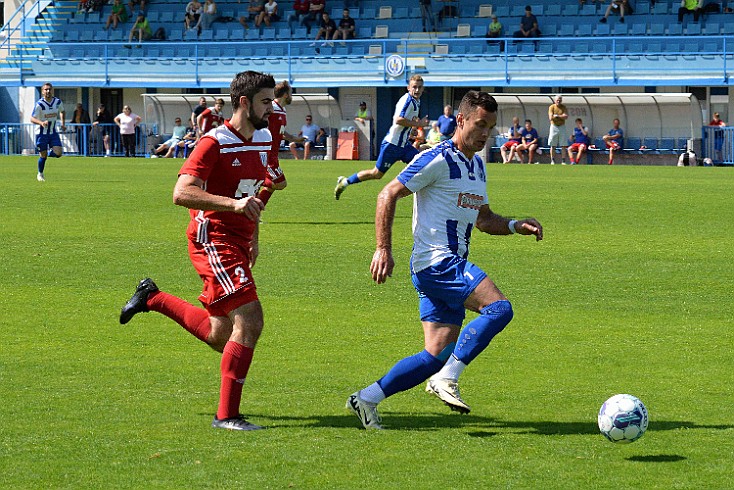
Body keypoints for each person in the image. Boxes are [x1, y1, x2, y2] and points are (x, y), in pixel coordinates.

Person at [345, 90, 543, 430]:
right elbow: (387, 193)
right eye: (480, 125)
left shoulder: (477, 167)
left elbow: (483, 219)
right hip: (438, 263)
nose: (485, 134)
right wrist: (382, 248)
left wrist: (513, 225)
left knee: (432, 356)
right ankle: (447, 378)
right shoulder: (436, 158)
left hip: (441, 269)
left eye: (491, 127)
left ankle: (366, 398)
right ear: (461, 120)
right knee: (499, 309)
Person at [119, 70, 276, 432]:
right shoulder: (213, 142)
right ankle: (227, 416)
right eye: (265, 101)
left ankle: (152, 298)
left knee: (220, 335)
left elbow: (258, 186)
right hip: (213, 236)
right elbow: (181, 192)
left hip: (238, 238)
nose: (272, 108)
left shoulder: (265, 137)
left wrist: (254, 234)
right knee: (250, 320)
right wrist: (233, 207)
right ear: (244, 103)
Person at [334, 75, 429, 200]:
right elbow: (398, 120)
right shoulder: (408, 100)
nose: (416, 90)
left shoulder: (417, 101)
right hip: (392, 145)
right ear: (408, 88)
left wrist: (410, 132)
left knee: (422, 164)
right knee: (377, 174)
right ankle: (345, 182)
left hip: (403, 145)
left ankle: (423, 196)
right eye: (414, 87)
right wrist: (419, 124)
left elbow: (403, 123)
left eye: (419, 87)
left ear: (423, 89)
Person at [258, 80, 305, 206]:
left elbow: (281, 133)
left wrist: (295, 139)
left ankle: (254, 212)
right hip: (265, 155)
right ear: (285, 94)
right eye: (290, 93)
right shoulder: (270, 108)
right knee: (280, 183)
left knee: (272, 186)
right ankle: (253, 180)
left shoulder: (282, 110)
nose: (291, 96)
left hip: (273, 155)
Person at [30, 82, 65, 182]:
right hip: (41, 134)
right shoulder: (39, 105)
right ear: (42, 91)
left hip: (53, 132)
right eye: (46, 89)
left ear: (52, 90)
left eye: (49, 89)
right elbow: (32, 119)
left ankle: (49, 153)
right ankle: (40, 173)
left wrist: (63, 123)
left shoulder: (57, 102)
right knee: (43, 156)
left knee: (59, 153)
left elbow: (62, 111)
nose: (48, 91)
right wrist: (41, 122)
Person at [548, 94, 569, 165]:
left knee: (563, 144)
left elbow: (566, 116)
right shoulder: (552, 107)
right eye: (557, 100)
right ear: (555, 100)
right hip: (554, 126)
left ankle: (563, 161)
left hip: (562, 126)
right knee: (552, 144)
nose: (558, 101)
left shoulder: (563, 107)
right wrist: (560, 116)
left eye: (560, 100)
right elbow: (550, 117)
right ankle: (552, 160)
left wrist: (557, 116)